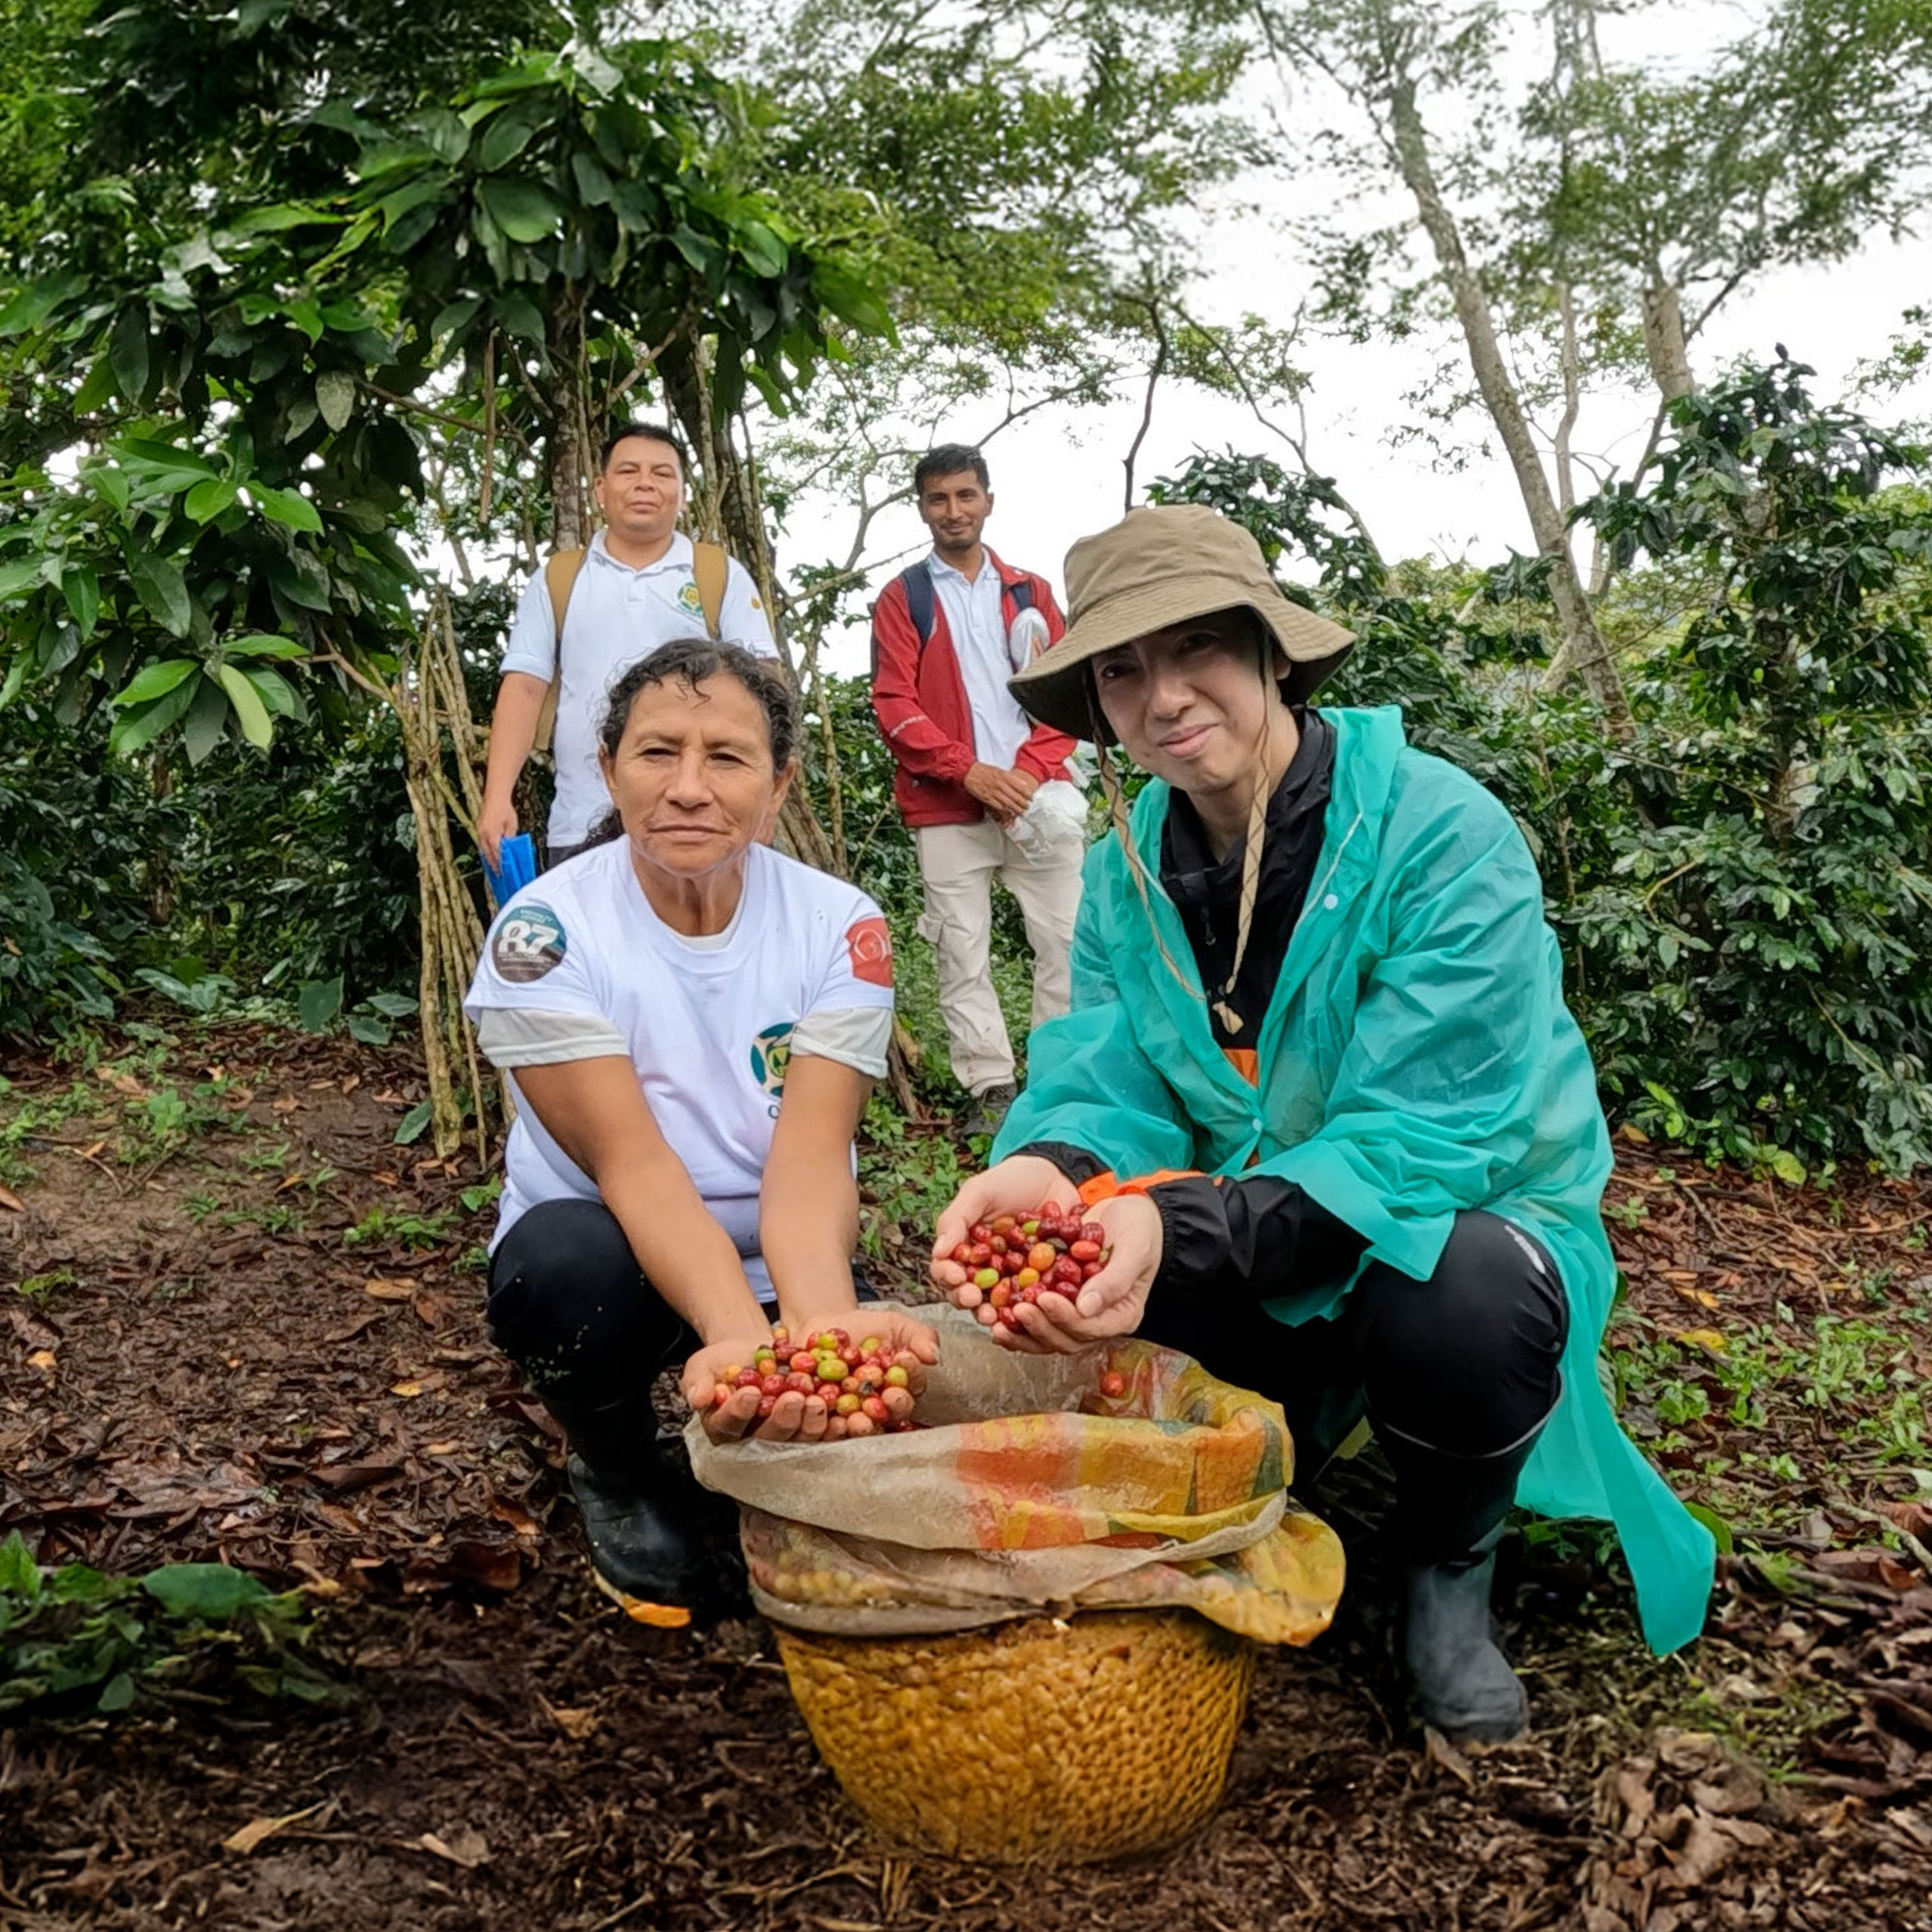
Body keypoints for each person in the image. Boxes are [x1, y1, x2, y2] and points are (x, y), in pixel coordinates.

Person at [929, 505, 1715, 1743]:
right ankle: (1255, 1483)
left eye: (1198, 652)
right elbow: (1106, 1071)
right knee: (1099, 1295)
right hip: (1250, 1214)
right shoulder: (1135, 861)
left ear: (1271, 656)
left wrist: (1176, 1225)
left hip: (1452, 1209)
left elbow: (1426, 1133)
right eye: (1121, 670)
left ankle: (1448, 1563)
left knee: (1462, 1293)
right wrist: (1052, 1164)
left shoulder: (1442, 836)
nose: (1163, 695)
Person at [466, 640, 937, 1622]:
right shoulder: (544, 932)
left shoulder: (840, 926)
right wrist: (739, 1341)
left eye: (725, 757)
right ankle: (616, 1462)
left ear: (779, 783)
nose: (687, 788)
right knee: (560, 1270)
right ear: (606, 770)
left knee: (826, 1423)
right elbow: (631, 1162)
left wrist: (813, 1336)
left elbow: (810, 1164)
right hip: (617, 1244)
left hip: (777, 1248)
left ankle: (756, 1442)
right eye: (656, 753)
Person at [869, 443, 1088, 1137]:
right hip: (948, 802)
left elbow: (1067, 690)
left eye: (966, 496)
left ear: (989, 500)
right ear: (922, 508)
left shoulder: (1030, 593)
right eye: (939, 499)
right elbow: (894, 703)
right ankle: (989, 1086)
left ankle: (1060, 1079)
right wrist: (969, 771)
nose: (954, 511)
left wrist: (1025, 773)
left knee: (1066, 940)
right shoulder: (905, 598)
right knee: (960, 947)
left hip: (1039, 798)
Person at [480, 423, 778, 870]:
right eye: (628, 471)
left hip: (698, 816)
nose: (645, 484)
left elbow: (763, 688)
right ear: (600, 489)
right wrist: (497, 796)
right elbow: (524, 687)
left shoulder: (719, 575)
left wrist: (766, 800)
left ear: (682, 492)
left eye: (662, 473)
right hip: (582, 820)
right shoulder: (559, 579)